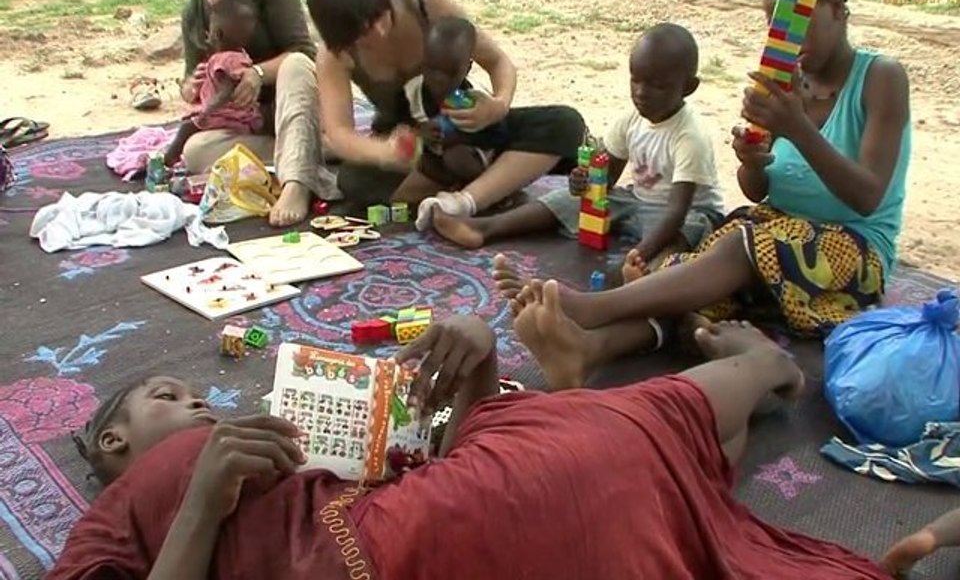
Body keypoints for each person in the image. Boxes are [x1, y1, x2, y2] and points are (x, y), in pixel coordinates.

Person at [48, 315, 926, 579]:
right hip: (404, 549)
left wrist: (472, 368)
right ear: (114, 440)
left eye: (198, 393)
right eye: (170, 397)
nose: (200, 401)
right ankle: (765, 363)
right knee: (603, 440)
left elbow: (440, 456)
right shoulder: (116, 523)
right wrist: (199, 500)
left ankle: (730, 397)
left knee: (566, 439)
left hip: (419, 516)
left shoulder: (263, 450)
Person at [491, 0, 912, 388]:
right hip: (777, 230)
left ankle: (591, 309)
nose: (786, 36)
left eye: (801, 18)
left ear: (840, 11)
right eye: (775, 23)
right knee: (684, 278)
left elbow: (868, 195)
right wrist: (752, 160)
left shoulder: (881, 77)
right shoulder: (785, 82)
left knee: (738, 248)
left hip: (854, 247)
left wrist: (796, 127)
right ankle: (587, 352)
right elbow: (756, 190)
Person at [304, 0, 587, 224]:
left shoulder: (425, 7)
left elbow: (498, 62)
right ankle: (493, 184)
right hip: (418, 148)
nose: (379, 32)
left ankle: (465, 198)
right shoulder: (335, 56)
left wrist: (497, 105)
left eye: (382, 17)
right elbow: (340, 133)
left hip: (471, 129)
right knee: (354, 180)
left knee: (566, 124)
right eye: (364, 32)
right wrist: (386, 152)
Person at [432, 23, 726, 276]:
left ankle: (650, 272)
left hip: (687, 211)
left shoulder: (690, 135)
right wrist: (584, 182)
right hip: (638, 202)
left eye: (658, 86)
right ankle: (484, 228)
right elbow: (605, 179)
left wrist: (636, 254)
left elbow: (677, 211)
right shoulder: (631, 120)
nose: (641, 92)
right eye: (635, 80)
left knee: (688, 231)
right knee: (567, 199)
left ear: (688, 87)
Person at [169, 0, 339, 226]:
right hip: (250, 125)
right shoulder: (195, 12)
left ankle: (296, 183)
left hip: (294, 103)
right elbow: (191, 75)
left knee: (296, 66)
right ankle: (313, 152)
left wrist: (258, 75)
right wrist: (190, 87)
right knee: (195, 153)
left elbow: (303, 52)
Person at [407, 16, 510, 193]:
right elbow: (388, 124)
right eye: (433, 69)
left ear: (468, 68)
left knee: (455, 156)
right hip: (430, 158)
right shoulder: (411, 91)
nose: (440, 80)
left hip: (473, 161)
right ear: (423, 62)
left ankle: (486, 192)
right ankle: (448, 187)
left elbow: (501, 137)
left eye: (451, 73)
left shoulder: (476, 98)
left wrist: (460, 137)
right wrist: (418, 132)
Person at [163, 0, 262, 167]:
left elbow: (226, 89)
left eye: (210, 29)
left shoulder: (223, 60)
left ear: (216, 34)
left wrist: (207, 111)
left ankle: (167, 161)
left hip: (225, 116)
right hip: (239, 117)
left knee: (187, 127)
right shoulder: (241, 57)